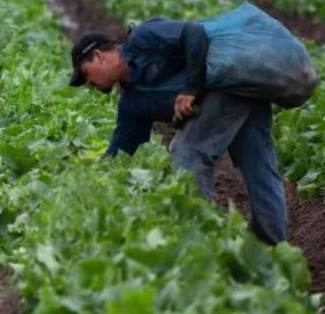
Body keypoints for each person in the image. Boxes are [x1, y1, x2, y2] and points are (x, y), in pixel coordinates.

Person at [68, 18, 287, 245]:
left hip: (230, 80)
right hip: (238, 95)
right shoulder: (132, 103)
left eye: (86, 75)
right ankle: (272, 247)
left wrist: (191, 88)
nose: (89, 84)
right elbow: (121, 152)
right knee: (258, 162)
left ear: (98, 57)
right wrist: (89, 178)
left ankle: (201, 244)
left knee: (188, 153)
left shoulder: (144, 38)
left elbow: (194, 32)